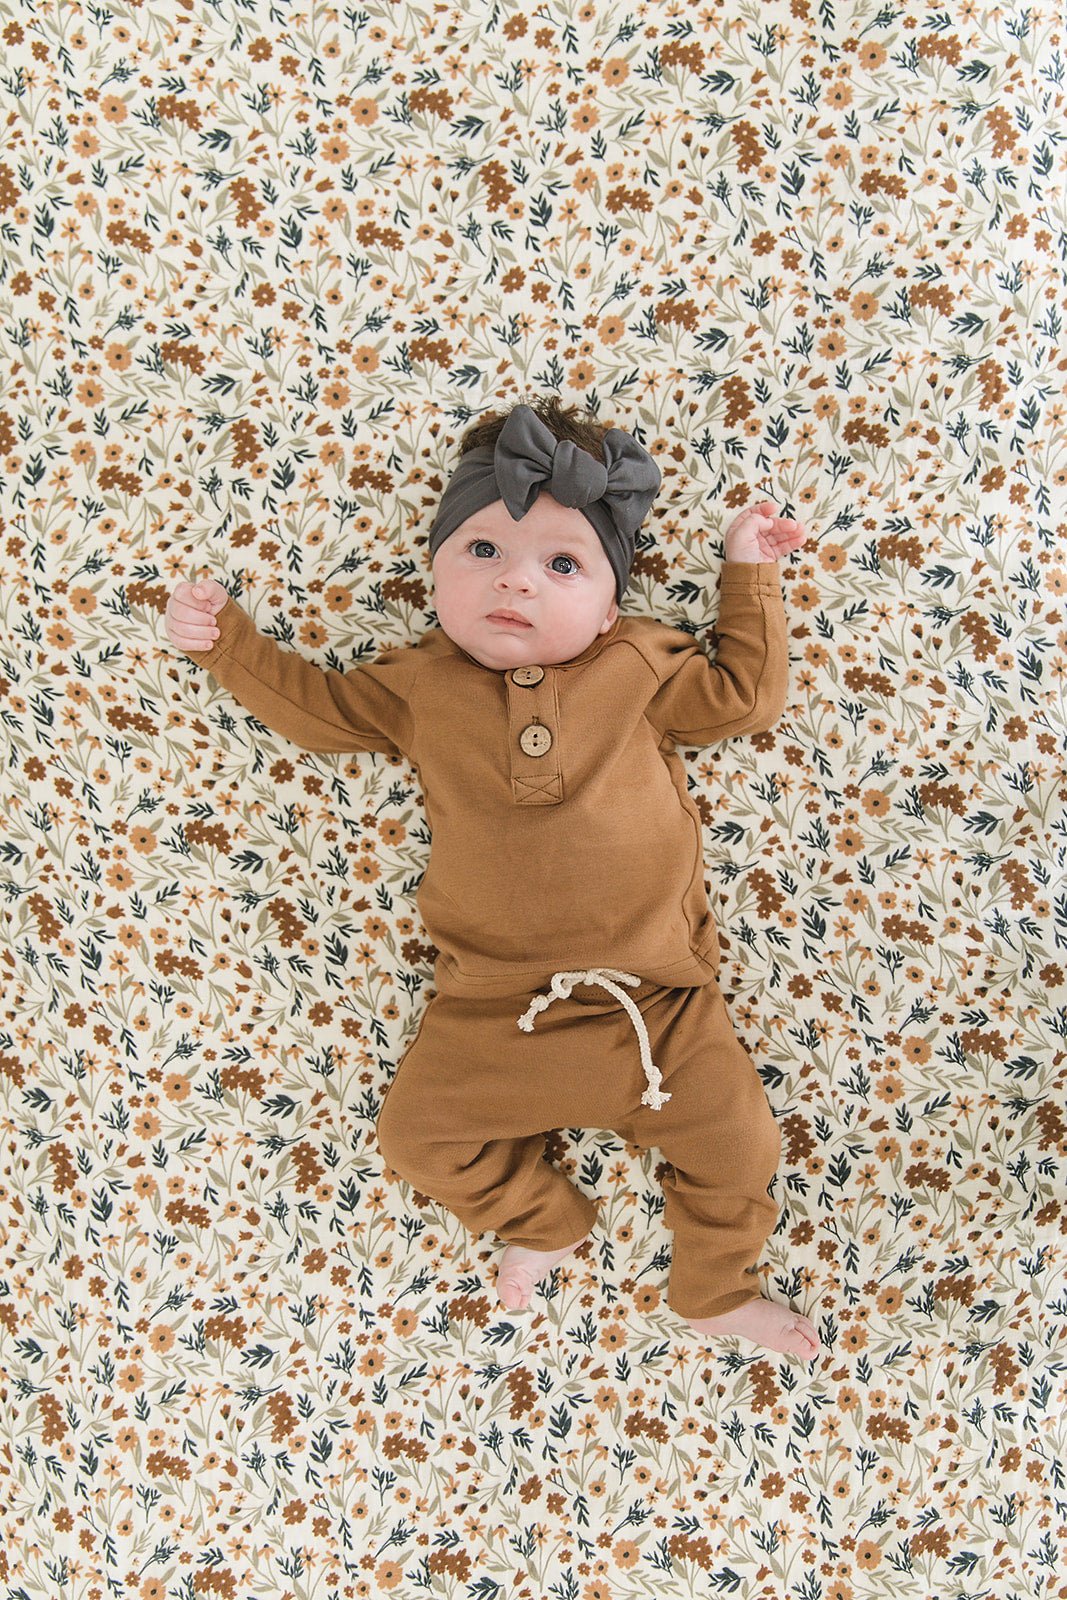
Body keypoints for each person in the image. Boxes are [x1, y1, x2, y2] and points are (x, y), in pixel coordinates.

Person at [165, 397, 820, 1360]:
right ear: (433, 572)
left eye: (562, 566)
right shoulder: (416, 685)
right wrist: (229, 643)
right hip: (494, 1011)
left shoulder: (641, 665)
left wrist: (746, 570)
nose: (515, 580)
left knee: (740, 1147)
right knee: (417, 1139)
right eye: (482, 551)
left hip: (658, 1005)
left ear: (610, 606)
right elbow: (318, 712)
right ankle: (542, 1216)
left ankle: (713, 1288)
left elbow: (745, 697)